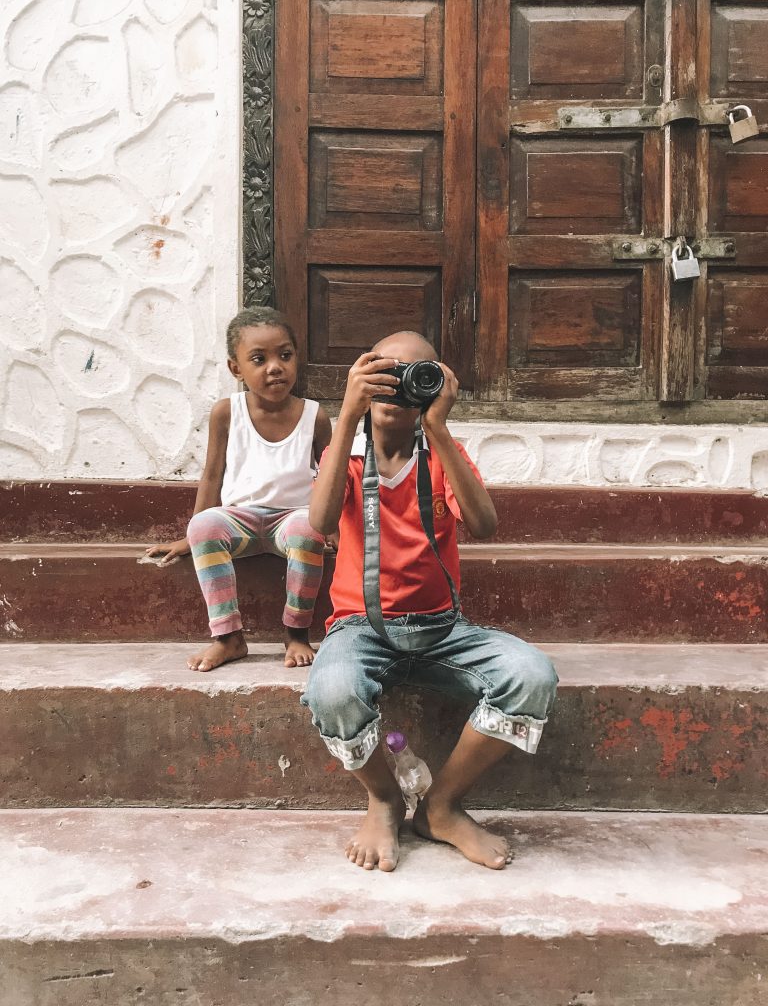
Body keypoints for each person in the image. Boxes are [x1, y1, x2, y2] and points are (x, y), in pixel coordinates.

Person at [303, 331, 558, 872]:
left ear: (434, 387)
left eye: (414, 376)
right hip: (360, 627)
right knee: (333, 690)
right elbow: (321, 523)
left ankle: (440, 806)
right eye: (384, 373)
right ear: (363, 380)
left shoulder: (441, 451)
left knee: (531, 675)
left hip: (443, 629)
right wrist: (345, 416)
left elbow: (485, 525)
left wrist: (438, 428)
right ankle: (384, 798)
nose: (398, 385)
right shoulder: (345, 454)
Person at [145, 307, 332, 671]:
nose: (275, 367)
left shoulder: (314, 415)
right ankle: (228, 637)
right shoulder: (226, 412)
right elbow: (213, 475)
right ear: (236, 368)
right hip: (240, 521)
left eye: (285, 355)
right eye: (259, 359)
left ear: (297, 358)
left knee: (310, 529)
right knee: (203, 527)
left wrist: (336, 526)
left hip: (291, 521)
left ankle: (296, 632)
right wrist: (190, 536)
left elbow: (331, 476)